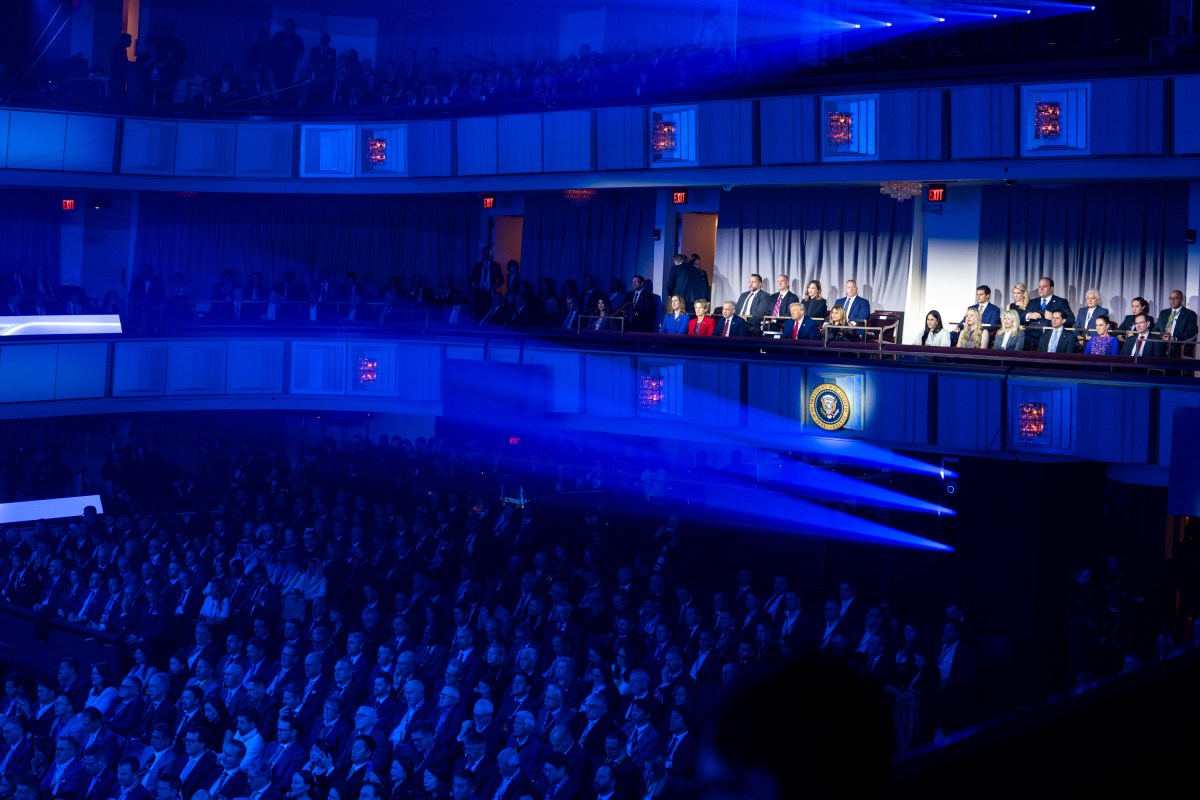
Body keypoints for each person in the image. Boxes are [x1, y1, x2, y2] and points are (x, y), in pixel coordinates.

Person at [1024, 277, 1075, 348]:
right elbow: (1020, 318)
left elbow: (1071, 319)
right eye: (1039, 286)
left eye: (1044, 286)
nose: (1041, 289)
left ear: (1051, 289)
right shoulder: (1032, 302)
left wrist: (1053, 317)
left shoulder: (1060, 302)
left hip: (1049, 336)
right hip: (1030, 335)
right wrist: (1029, 315)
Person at [1157, 289, 1198, 357]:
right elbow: (1156, 328)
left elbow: (1191, 331)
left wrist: (1175, 338)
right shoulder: (1163, 313)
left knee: (1172, 347)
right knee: (1152, 345)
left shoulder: (1190, 314)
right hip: (1162, 340)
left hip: (1177, 342)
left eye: (1176, 298)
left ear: (1182, 299)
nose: (1172, 300)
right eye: (1170, 298)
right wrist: (1161, 336)